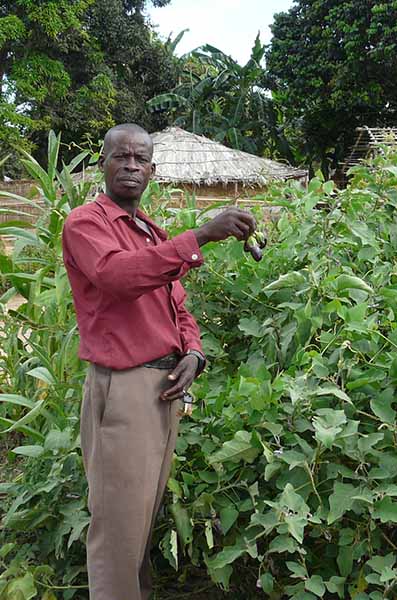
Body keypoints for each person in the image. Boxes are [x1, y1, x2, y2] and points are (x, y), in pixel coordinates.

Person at [62, 123, 257, 600]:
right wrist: (202, 235)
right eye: (121, 157)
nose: (131, 165)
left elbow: (178, 305)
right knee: (117, 534)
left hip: (163, 391)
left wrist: (193, 351)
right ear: (103, 162)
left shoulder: (150, 230)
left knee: (139, 527)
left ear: (153, 169)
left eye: (141, 159)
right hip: (122, 390)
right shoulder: (86, 224)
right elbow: (117, 278)